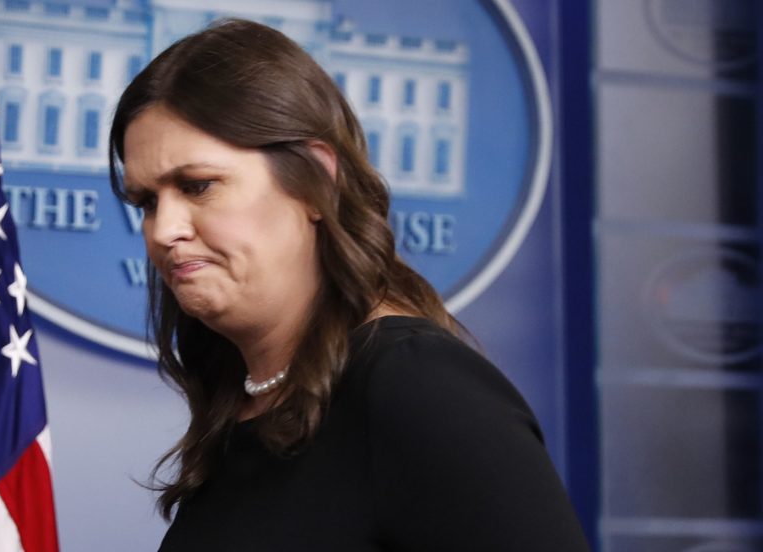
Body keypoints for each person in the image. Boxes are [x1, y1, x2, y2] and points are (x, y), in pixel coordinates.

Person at [108, 18, 589, 551]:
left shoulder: (417, 386)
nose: (164, 229)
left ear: (315, 181)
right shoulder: (243, 407)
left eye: (198, 186)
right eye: (148, 202)